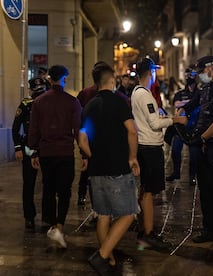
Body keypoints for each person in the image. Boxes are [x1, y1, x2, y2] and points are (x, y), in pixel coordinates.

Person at [78, 62, 140, 275]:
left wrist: (92, 156)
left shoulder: (89, 105)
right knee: (129, 213)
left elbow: (82, 139)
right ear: (112, 81)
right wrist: (133, 157)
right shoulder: (120, 102)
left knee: (103, 214)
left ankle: (108, 258)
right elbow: (132, 131)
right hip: (118, 168)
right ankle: (102, 255)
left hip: (96, 170)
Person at [176, 55, 213, 245]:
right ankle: (208, 229)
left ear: (210, 69)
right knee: (204, 189)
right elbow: (191, 105)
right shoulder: (204, 89)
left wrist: (202, 138)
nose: (200, 75)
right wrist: (180, 111)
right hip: (201, 145)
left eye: (201, 71)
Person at [28, 65, 86, 248]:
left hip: (46, 152)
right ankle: (59, 225)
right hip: (65, 152)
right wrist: (84, 153)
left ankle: (53, 224)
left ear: (49, 79)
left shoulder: (39, 102)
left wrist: (34, 151)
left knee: (49, 189)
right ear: (63, 79)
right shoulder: (72, 102)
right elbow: (78, 130)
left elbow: (34, 130)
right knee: (65, 191)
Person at [131, 57, 183, 250]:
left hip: (143, 145)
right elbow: (154, 123)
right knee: (149, 192)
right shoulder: (144, 94)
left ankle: (142, 226)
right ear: (150, 72)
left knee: (144, 189)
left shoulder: (136, 93)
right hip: (150, 147)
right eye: (154, 72)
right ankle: (148, 233)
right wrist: (175, 120)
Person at [12, 77, 46, 230]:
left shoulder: (45, 102)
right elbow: (15, 127)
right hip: (33, 148)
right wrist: (18, 147)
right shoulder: (26, 105)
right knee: (32, 184)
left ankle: (38, 217)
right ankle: (32, 217)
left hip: (43, 148)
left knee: (37, 184)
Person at [165, 68, 199, 185]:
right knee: (175, 150)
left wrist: (186, 103)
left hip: (194, 126)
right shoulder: (180, 93)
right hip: (181, 127)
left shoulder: (199, 92)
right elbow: (177, 104)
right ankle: (176, 172)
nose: (189, 77)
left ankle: (192, 176)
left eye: (192, 75)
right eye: (188, 75)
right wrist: (191, 102)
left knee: (194, 154)